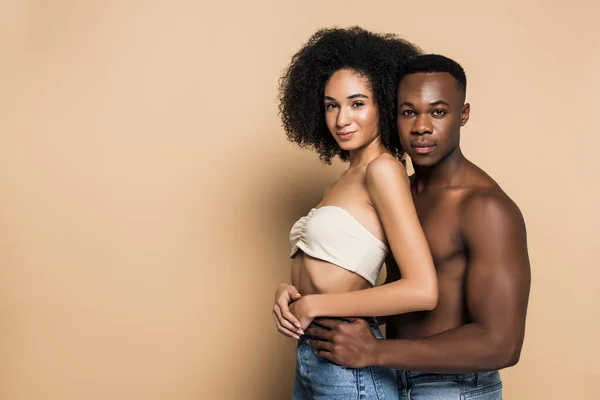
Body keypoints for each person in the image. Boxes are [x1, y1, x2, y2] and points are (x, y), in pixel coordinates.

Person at [275, 54, 532, 399]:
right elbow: (401, 300)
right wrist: (308, 301)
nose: (421, 127)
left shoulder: (486, 208)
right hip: (392, 374)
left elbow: (503, 344)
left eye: (438, 112)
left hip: (453, 388)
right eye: (408, 112)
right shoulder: (400, 191)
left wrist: (375, 352)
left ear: (464, 114)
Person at [274, 27, 441, 399]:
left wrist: (317, 303)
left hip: (346, 363)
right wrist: (292, 295)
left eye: (357, 103)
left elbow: (422, 290)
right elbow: (330, 269)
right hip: (312, 354)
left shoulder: (383, 170)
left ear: (383, 102)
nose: (341, 119)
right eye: (332, 104)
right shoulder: (340, 183)